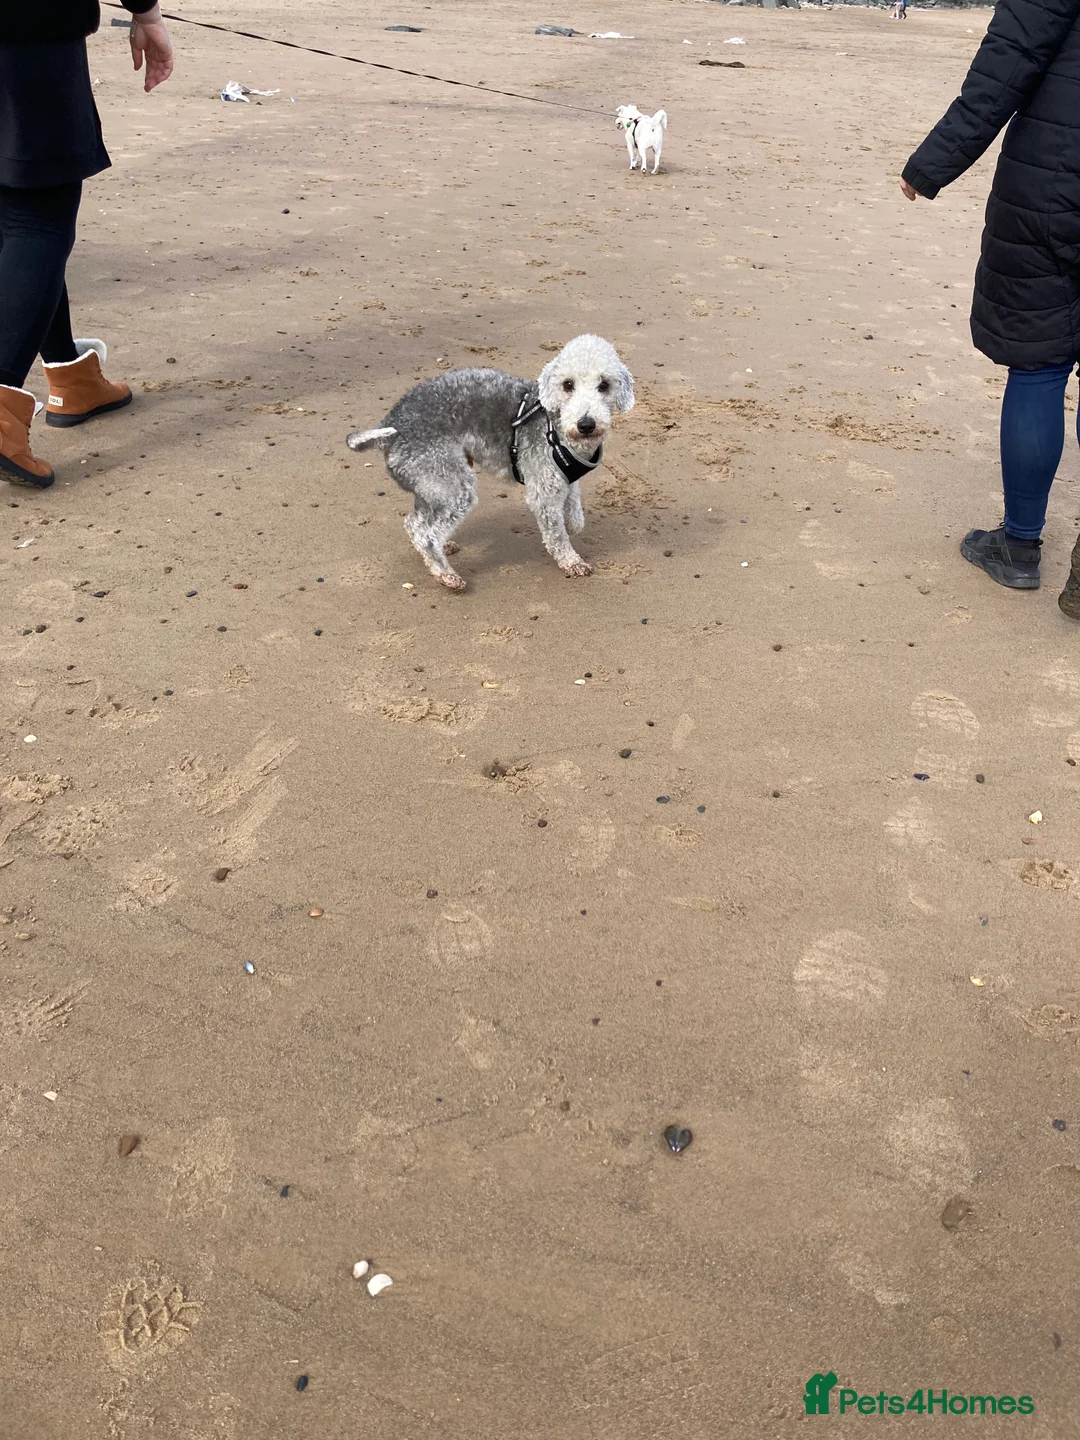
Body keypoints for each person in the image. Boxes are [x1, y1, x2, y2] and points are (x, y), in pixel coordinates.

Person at [901, 0, 1080, 619]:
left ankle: (1020, 546)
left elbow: (1009, 61)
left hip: (1054, 189)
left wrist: (932, 164)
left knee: (1039, 367)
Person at [0, 0, 174, 489]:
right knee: (38, 222)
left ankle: (73, 379)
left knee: (15, 216)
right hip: (29, 36)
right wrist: (147, 13)